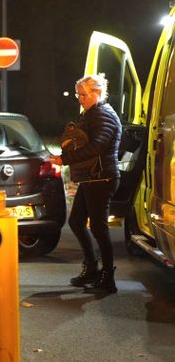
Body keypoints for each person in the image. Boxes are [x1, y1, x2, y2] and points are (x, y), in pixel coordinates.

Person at [50, 73, 121, 293]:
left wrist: (65, 159)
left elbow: (97, 147)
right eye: (78, 94)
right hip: (92, 177)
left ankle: (108, 278)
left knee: (99, 228)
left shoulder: (103, 115)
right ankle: (92, 268)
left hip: (101, 177)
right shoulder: (92, 113)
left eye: (83, 95)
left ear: (97, 93)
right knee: (76, 221)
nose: (80, 99)